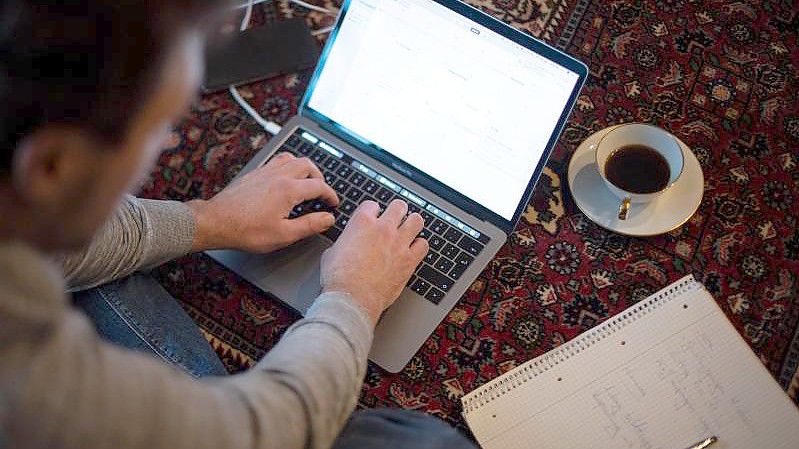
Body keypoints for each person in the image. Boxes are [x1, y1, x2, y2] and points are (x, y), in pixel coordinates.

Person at [0, 1, 477, 448]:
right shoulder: (28, 384)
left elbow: (61, 253)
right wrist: (356, 294)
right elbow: (266, 432)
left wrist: (208, 220)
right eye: (154, 127)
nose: (167, 145)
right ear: (49, 167)